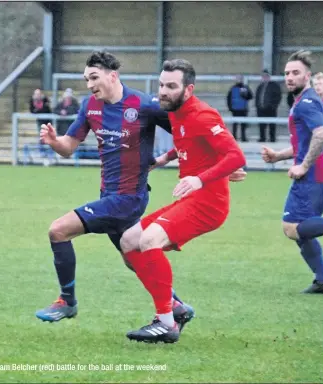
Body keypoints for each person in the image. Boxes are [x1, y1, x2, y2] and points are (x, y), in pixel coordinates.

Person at [34, 51, 196, 330]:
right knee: (134, 258)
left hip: (129, 198)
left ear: (113, 75)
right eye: (86, 79)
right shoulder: (90, 107)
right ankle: (177, 307)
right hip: (108, 195)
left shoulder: (143, 105)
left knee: (58, 230)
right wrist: (53, 142)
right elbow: (69, 146)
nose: (89, 84)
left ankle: (67, 301)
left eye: (94, 77)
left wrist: (174, 159)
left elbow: (189, 131)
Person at [120, 59, 247, 344]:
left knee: (149, 239)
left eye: (171, 86)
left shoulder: (204, 115)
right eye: (161, 85)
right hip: (191, 199)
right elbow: (187, 142)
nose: (163, 91)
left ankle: (165, 322)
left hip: (209, 203)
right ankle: (175, 309)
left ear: (188, 89)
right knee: (129, 242)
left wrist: (200, 179)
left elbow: (236, 157)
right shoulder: (175, 112)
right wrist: (162, 160)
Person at [261, 50, 323, 294]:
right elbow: (306, 141)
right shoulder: (303, 101)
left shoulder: (307, 102)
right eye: (287, 73)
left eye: (295, 73)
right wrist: (279, 156)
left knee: (291, 226)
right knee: (303, 231)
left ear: (307, 76)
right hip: (317, 174)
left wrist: (304, 165)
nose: (289, 77)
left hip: (313, 175)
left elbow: (321, 134)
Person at [226, 75, 253, 142]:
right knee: (235, 125)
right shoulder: (232, 88)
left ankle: (243, 138)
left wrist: (246, 95)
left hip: (243, 109)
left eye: (240, 79)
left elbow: (250, 96)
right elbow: (228, 99)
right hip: (235, 109)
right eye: (237, 79)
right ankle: (234, 138)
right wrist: (230, 108)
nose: (239, 80)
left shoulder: (245, 87)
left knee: (243, 125)